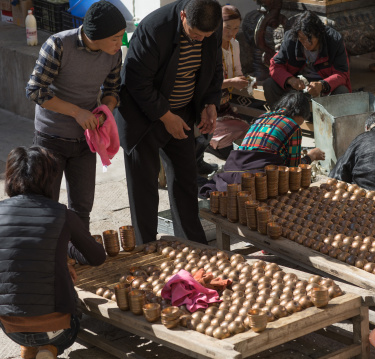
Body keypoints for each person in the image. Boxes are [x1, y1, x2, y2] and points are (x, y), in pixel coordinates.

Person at [115, 0, 223, 245]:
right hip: (142, 116)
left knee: (185, 178)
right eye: (195, 35)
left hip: (182, 112)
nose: (200, 41)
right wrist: (165, 116)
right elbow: (136, 82)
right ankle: (147, 247)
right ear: (183, 16)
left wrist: (210, 103)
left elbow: (215, 68)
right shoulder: (155, 28)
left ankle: (193, 244)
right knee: (144, 187)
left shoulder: (210, 29)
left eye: (206, 36)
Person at [26, 0, 126, 230]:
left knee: (82, 208)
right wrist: (77, 112)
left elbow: (112, 91)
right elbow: (35, 90)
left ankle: (78, 257)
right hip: (50, 137)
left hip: (85, 140)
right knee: (46, 206)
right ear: (94, 35)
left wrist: (104, 113)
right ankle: (51, 260)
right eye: (114, 37)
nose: (119, 43)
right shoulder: (59, 44)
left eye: (121, 36)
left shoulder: (113, 53)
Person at [0, 146, 106, 359]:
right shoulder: (61, 214)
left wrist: (55, 251)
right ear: (50, 179)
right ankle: (50, 350)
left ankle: (28, 348)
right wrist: (61, 244)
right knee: (73, 308)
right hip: (57, 330)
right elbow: (96, 257)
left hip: (9, 327)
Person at [200, 92, 325, 195]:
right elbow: (294, 168)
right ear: (300, 112)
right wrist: (311, 156)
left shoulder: (261, 117)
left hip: (232, 172)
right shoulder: (293, 126)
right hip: (258, 178)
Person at [263, 10, 351, 109]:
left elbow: (342, 74)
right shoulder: (291, 39)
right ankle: (282, 119)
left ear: (318, 34)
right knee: (269, 84)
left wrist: (322, 85)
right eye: (302, 39)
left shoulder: (334, 41)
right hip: (300, 87)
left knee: (342, 91)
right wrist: (290, 80)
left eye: (310, 39)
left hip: (325, 87)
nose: (306, 43)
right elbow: (275, 65)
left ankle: (330, 122)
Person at [202, 4, 251, 161]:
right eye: (227, 28)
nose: (232, 33)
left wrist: (245, 81)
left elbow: (238, 71)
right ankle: (208, 144)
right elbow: (206, 84)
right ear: (217, 25)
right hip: (208, 105)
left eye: (236, 28)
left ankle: (210, 141)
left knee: (248, 133)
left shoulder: (234, 45)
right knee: (228, 148)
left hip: (225, 105)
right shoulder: (209, 46)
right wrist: (232, 81)